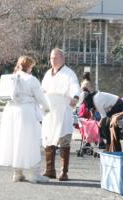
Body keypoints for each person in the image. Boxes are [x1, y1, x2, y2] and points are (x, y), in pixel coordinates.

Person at [0, 55, 50, 183]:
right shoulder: (32, 80)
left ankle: (17, 173)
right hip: (26, 112)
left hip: (10, 111)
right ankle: (35, 174)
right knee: (30, 141)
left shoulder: (9, 78)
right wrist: (47, 109)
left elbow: (0, 97)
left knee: (15, 141)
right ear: (30, 66)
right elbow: (41, 98)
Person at [41, 48, 80, 181]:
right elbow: (42, 89)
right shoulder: (47, 73)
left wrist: (75, 97)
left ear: (62, 58)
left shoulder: (69, 74)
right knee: (48, 138)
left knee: (64, 140)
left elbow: (75, 87)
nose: (53, 60)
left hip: (63, 109)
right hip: (49, 111)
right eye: (51, 58)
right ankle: (50, 169)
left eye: (56, 57)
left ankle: (64, 172)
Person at [82, 87, 123, 152]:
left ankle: (111, 148)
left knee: (107, 126)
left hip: (118, 104)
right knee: (107, 126)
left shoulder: (96, 101)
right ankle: (110, 147)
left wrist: (98, 125)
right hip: (115, 105)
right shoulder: (95, 97)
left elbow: (103, 117)